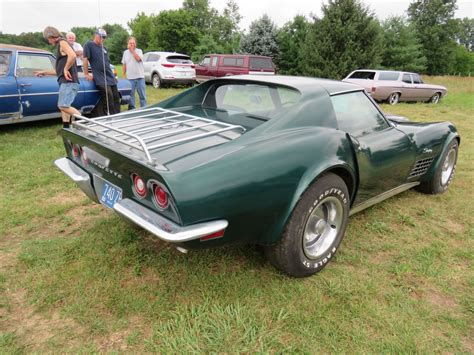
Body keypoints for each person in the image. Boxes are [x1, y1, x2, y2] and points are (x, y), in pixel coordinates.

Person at [35, 26, 80, 128]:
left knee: (62, 106)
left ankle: (84, 122)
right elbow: (59, 71)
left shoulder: (62, 42)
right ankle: (66, 127)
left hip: (69, 82)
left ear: (51, 36)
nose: (48, 42)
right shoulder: (62, 44)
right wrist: (44, 72)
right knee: (64, 107)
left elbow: (72, 55)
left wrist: (65, 69)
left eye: (48, 39)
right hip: (66, 82)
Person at [82, 28, 120, 116]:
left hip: (110, 76)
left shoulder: (104, 48)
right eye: (101, 37)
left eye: (104, 37)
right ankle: (110, 116)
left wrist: (113, 75)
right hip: (100, 77)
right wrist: (86, 74)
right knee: (108, 96)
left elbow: (107, 62)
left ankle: (118, 115)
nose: (102, 39)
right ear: (96, 35)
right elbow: (85, 59)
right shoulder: (89, 45)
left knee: (116, 97)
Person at [121, 36, 147, 110]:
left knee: (142, 95)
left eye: (133, 43)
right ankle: (132, 109)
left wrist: (132, 51)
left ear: (135, 44)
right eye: (130, 43)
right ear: (127, 44)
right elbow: (124, 64)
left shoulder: (139, 51)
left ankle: (144, 109)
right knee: (131, 95)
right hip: (130, 78)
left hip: (140, 77)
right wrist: (123, 74)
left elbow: (138, 59)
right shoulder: (125, 53)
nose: (132, 44)